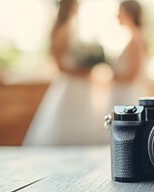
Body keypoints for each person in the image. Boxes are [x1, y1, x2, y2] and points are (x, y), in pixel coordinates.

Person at [23, 0, 108, 146]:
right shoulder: (64, 29)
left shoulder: (70, 27)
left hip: (78, 84)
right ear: (71, 6)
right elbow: (60, 66)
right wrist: (82, 72)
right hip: (71, 84)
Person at [110, 0, 148, 106]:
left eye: (120, 12)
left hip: (128, 96)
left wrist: (112, 76)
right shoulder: (136, 38)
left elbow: (132, 75)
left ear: (129, 14)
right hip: (125, 93)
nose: (117, 16)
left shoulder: (135, 40)